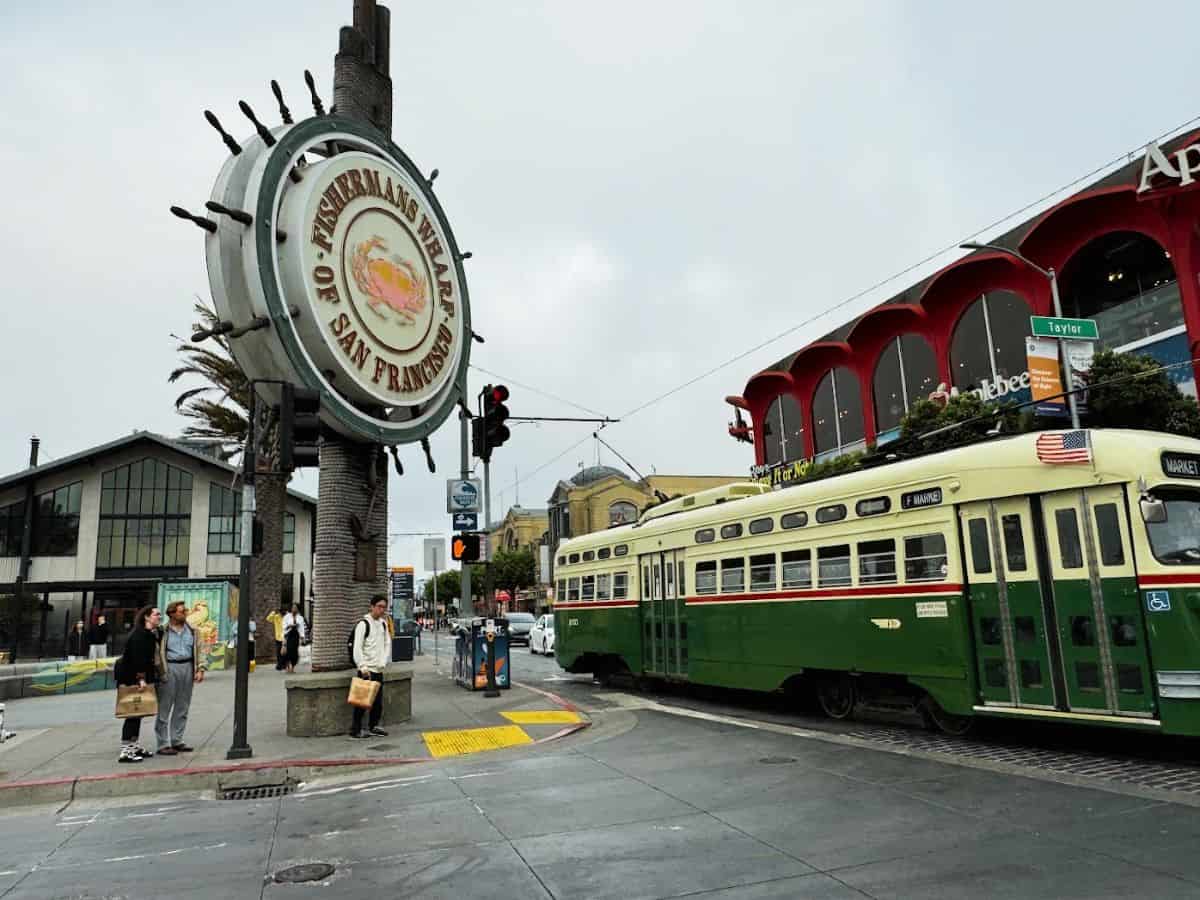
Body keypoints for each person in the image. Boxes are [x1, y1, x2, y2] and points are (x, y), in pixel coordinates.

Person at [155, 601, 206, 756]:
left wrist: (200, 668)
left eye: (185, 611)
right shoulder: (162, 631)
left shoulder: (193, 630)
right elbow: (156, 652)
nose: (184, 614)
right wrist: (160, 671)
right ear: (171, 614)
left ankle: (177, 740)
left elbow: (200, 648)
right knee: (165, 706)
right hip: (170, 667)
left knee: (182, 706)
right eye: (181, 612)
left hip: (187, 667)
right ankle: (162, 743)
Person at [116, 605, 162, 763]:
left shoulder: (148, 634)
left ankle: (134, 746)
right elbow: (137, 659)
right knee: (132, 713)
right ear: (147, 617)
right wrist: (140, 678)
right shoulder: (139, 635)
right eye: (156, 614)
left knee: (138, 713)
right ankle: (126, 750)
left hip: (140, 677)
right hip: (133, 679)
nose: (159, 617)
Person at [349, 594, 390, 739]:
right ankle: (355, 730)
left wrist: (383, 662)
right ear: (371, 607)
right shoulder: (363, 624)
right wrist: (362, 666)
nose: (382, 610)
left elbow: (387, 643)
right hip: (366, 670)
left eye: (384, 607)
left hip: (378, 668)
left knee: (377, 702)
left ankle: (373, 726)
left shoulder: (383, 624)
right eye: (379, 606)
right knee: (361, 702)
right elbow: (357, 647)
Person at [281, 604, 306, 674]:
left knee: (294, 653)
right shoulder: (286, 617)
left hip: (296, 636)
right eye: (293, 608)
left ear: (298, 609)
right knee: (288, 652)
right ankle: (288, 666)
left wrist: (302, 638)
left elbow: (302, 628)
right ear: (291, 609)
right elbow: (283, 627)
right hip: (288, 635)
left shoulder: (300, 618)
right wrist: (289, 626)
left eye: (295, 608)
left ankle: (292, 667)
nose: (294, 609)